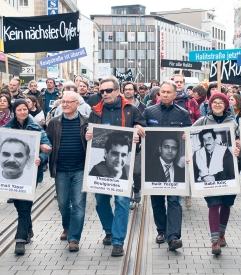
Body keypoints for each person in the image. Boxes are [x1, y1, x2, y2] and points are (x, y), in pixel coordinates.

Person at [86, 76, 146, 257]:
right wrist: (87, 134)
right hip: (101, 167)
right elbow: (87, 132)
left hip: (124, 165)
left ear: (117, 91)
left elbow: (142, 127)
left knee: (122, 202)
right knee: (101, 202)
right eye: (101, 91)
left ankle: (118, 241)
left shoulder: (131, 109)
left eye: (108, 90)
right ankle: (109, 229)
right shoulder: (95, 111)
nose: (104, 94)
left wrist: (137, 130)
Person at [143, 80, 192, 250]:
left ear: (175, 94)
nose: (165, 95)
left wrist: (187, 139)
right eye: (162, 92)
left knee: (174, 201)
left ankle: (174, 237)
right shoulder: (149, 111)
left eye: (168, 92)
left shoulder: (183, 114)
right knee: (157, 200)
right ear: (158, 94)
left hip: (175, 165)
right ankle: (161, 230)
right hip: (153, 164)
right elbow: (142, 132)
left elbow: (189, 136)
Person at [191, 92, 239, 255]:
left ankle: (222, 233)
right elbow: (190, 136)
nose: (217, 104)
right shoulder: (202, 121)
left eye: (221, 102)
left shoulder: (233, 123)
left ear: (226, 106)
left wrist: (239, 145)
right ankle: (214, 241)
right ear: (210, 105)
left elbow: (240, 142)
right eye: (214, 102)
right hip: (208, 178)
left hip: (230, 173)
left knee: (226, 203)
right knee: (213, 203)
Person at [3, 99, 51, 256]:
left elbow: (48, 148)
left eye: (25, 109)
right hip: (12, 177)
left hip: (30, 174)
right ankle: (28, 229)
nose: (23, 112)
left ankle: (20, 239)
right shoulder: (6, 128)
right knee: (19, 204)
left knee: (24, 206)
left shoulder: (36, 127)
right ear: (14, 111)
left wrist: (41, 158)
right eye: (19, 110)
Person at [46, 91, 88, 252]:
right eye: (63, 102)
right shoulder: (54, 123)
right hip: (61, 169)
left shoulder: (86, 122)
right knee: (63, 203)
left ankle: (74, 238)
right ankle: (67, 226)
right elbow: (47, 143)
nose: (64, 105)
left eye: (68, 102)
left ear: (77, 104)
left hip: (80, 169)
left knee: (78, 204)